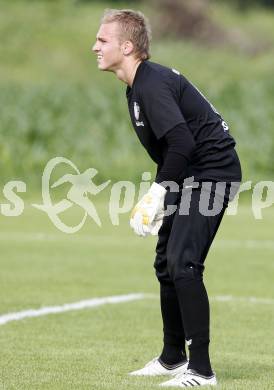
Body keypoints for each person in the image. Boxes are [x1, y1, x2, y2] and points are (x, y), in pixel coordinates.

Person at [92, 8, 241, 388]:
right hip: (190, 172)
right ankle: (173, 357)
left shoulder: (150, 82)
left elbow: (182, 142)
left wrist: (158, 192)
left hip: (212, 173)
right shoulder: (136, 86)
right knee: (165, 262)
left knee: (183, 262)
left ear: (127, 47)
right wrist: (165, 191)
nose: (94, 46)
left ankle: (202, 371)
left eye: (102, 40)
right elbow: (175, 150)